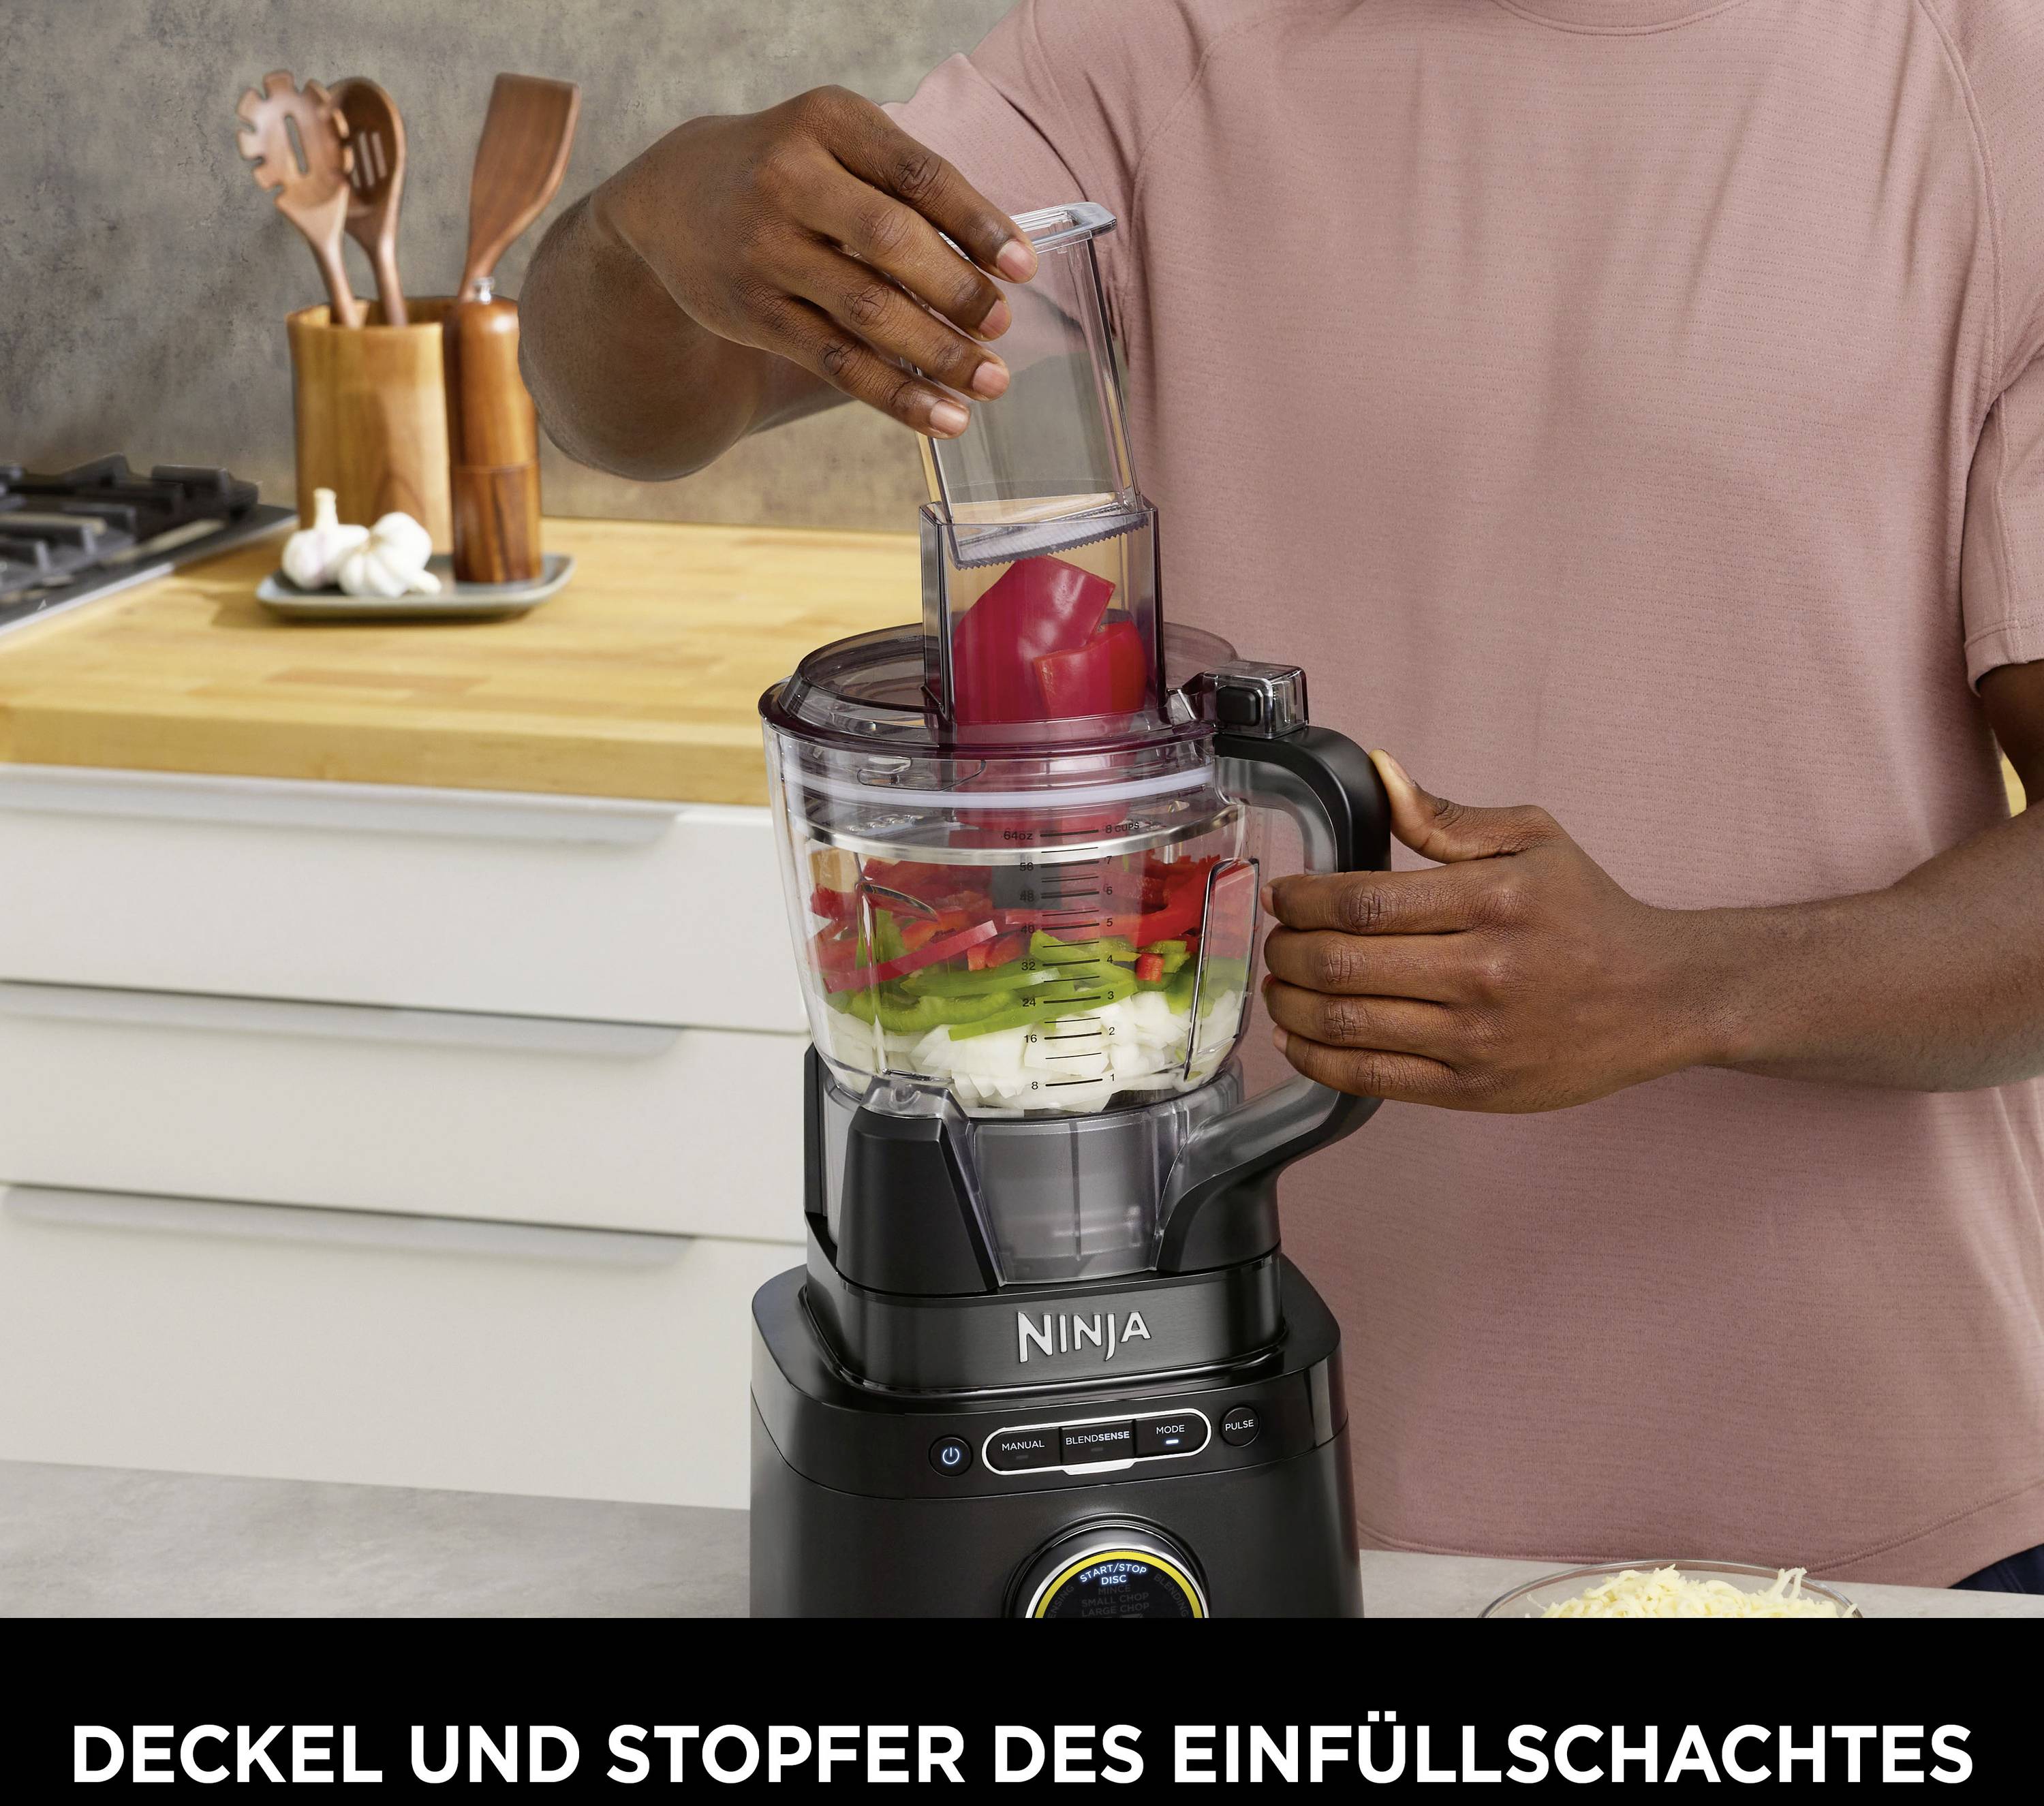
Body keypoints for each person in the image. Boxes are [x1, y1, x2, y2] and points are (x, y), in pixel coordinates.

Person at [521, 0, 2044, 1592]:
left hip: (1881, 1507)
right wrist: (653, 224)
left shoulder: (1986, 86)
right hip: (1246, 1491)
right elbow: (628, 404)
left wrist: (1688, 984)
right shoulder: (1143, 57)